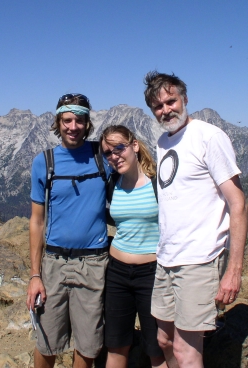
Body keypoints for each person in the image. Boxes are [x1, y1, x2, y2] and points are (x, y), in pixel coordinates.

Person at [143, 71, 248, 368]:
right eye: (158, 106)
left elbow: (238, 204)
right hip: (167, 258)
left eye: (171, 101)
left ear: (185, 99)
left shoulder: (209, 137)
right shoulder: (163, 141)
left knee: (186, 351)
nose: (166, 110)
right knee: (164, 341)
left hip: (199, 259)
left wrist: (234, 270)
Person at [27, 93, 109, 368]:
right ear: (58, 122)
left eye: (79, 121)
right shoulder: (44, 162)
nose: (73, 127)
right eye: (67, 120)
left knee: (88, 344)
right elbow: (37, 221)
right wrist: (35, 275)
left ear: (87, 123)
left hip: (94, 263)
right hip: (54, 263)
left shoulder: (102, 156)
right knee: (46, 340)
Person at [99, 125, 169, 368]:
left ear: (135, 146)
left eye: (119, 148)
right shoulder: (112, 183)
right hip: (116, 273)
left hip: (152, 273)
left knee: (158, 347)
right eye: (108, 153)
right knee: (116, 346)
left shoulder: (158, 183)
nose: (114, 156)